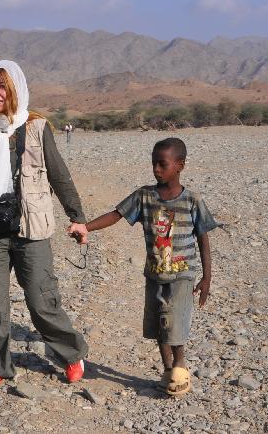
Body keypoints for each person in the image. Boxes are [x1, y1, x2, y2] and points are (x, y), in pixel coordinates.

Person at [0, 60, 88, 390]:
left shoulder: (37, 128)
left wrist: (77, 217)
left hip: (32, 230)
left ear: (16, 89)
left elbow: (59, 175)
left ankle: (71, 354)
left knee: (42, 299)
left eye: (3, 86)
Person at [67, 137, 217, 397]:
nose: (156, 169)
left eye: (162, 164)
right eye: (153, 163)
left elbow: (203, 238)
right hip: (154, 274)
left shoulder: (192, 200)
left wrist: (207, 278)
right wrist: (85, 227)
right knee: (159, 324)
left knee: (174, 322)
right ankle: (168, 371)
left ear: (180, 165)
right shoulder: (144, 196)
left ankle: (180, 368)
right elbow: (116, 215)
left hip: (182, 275)